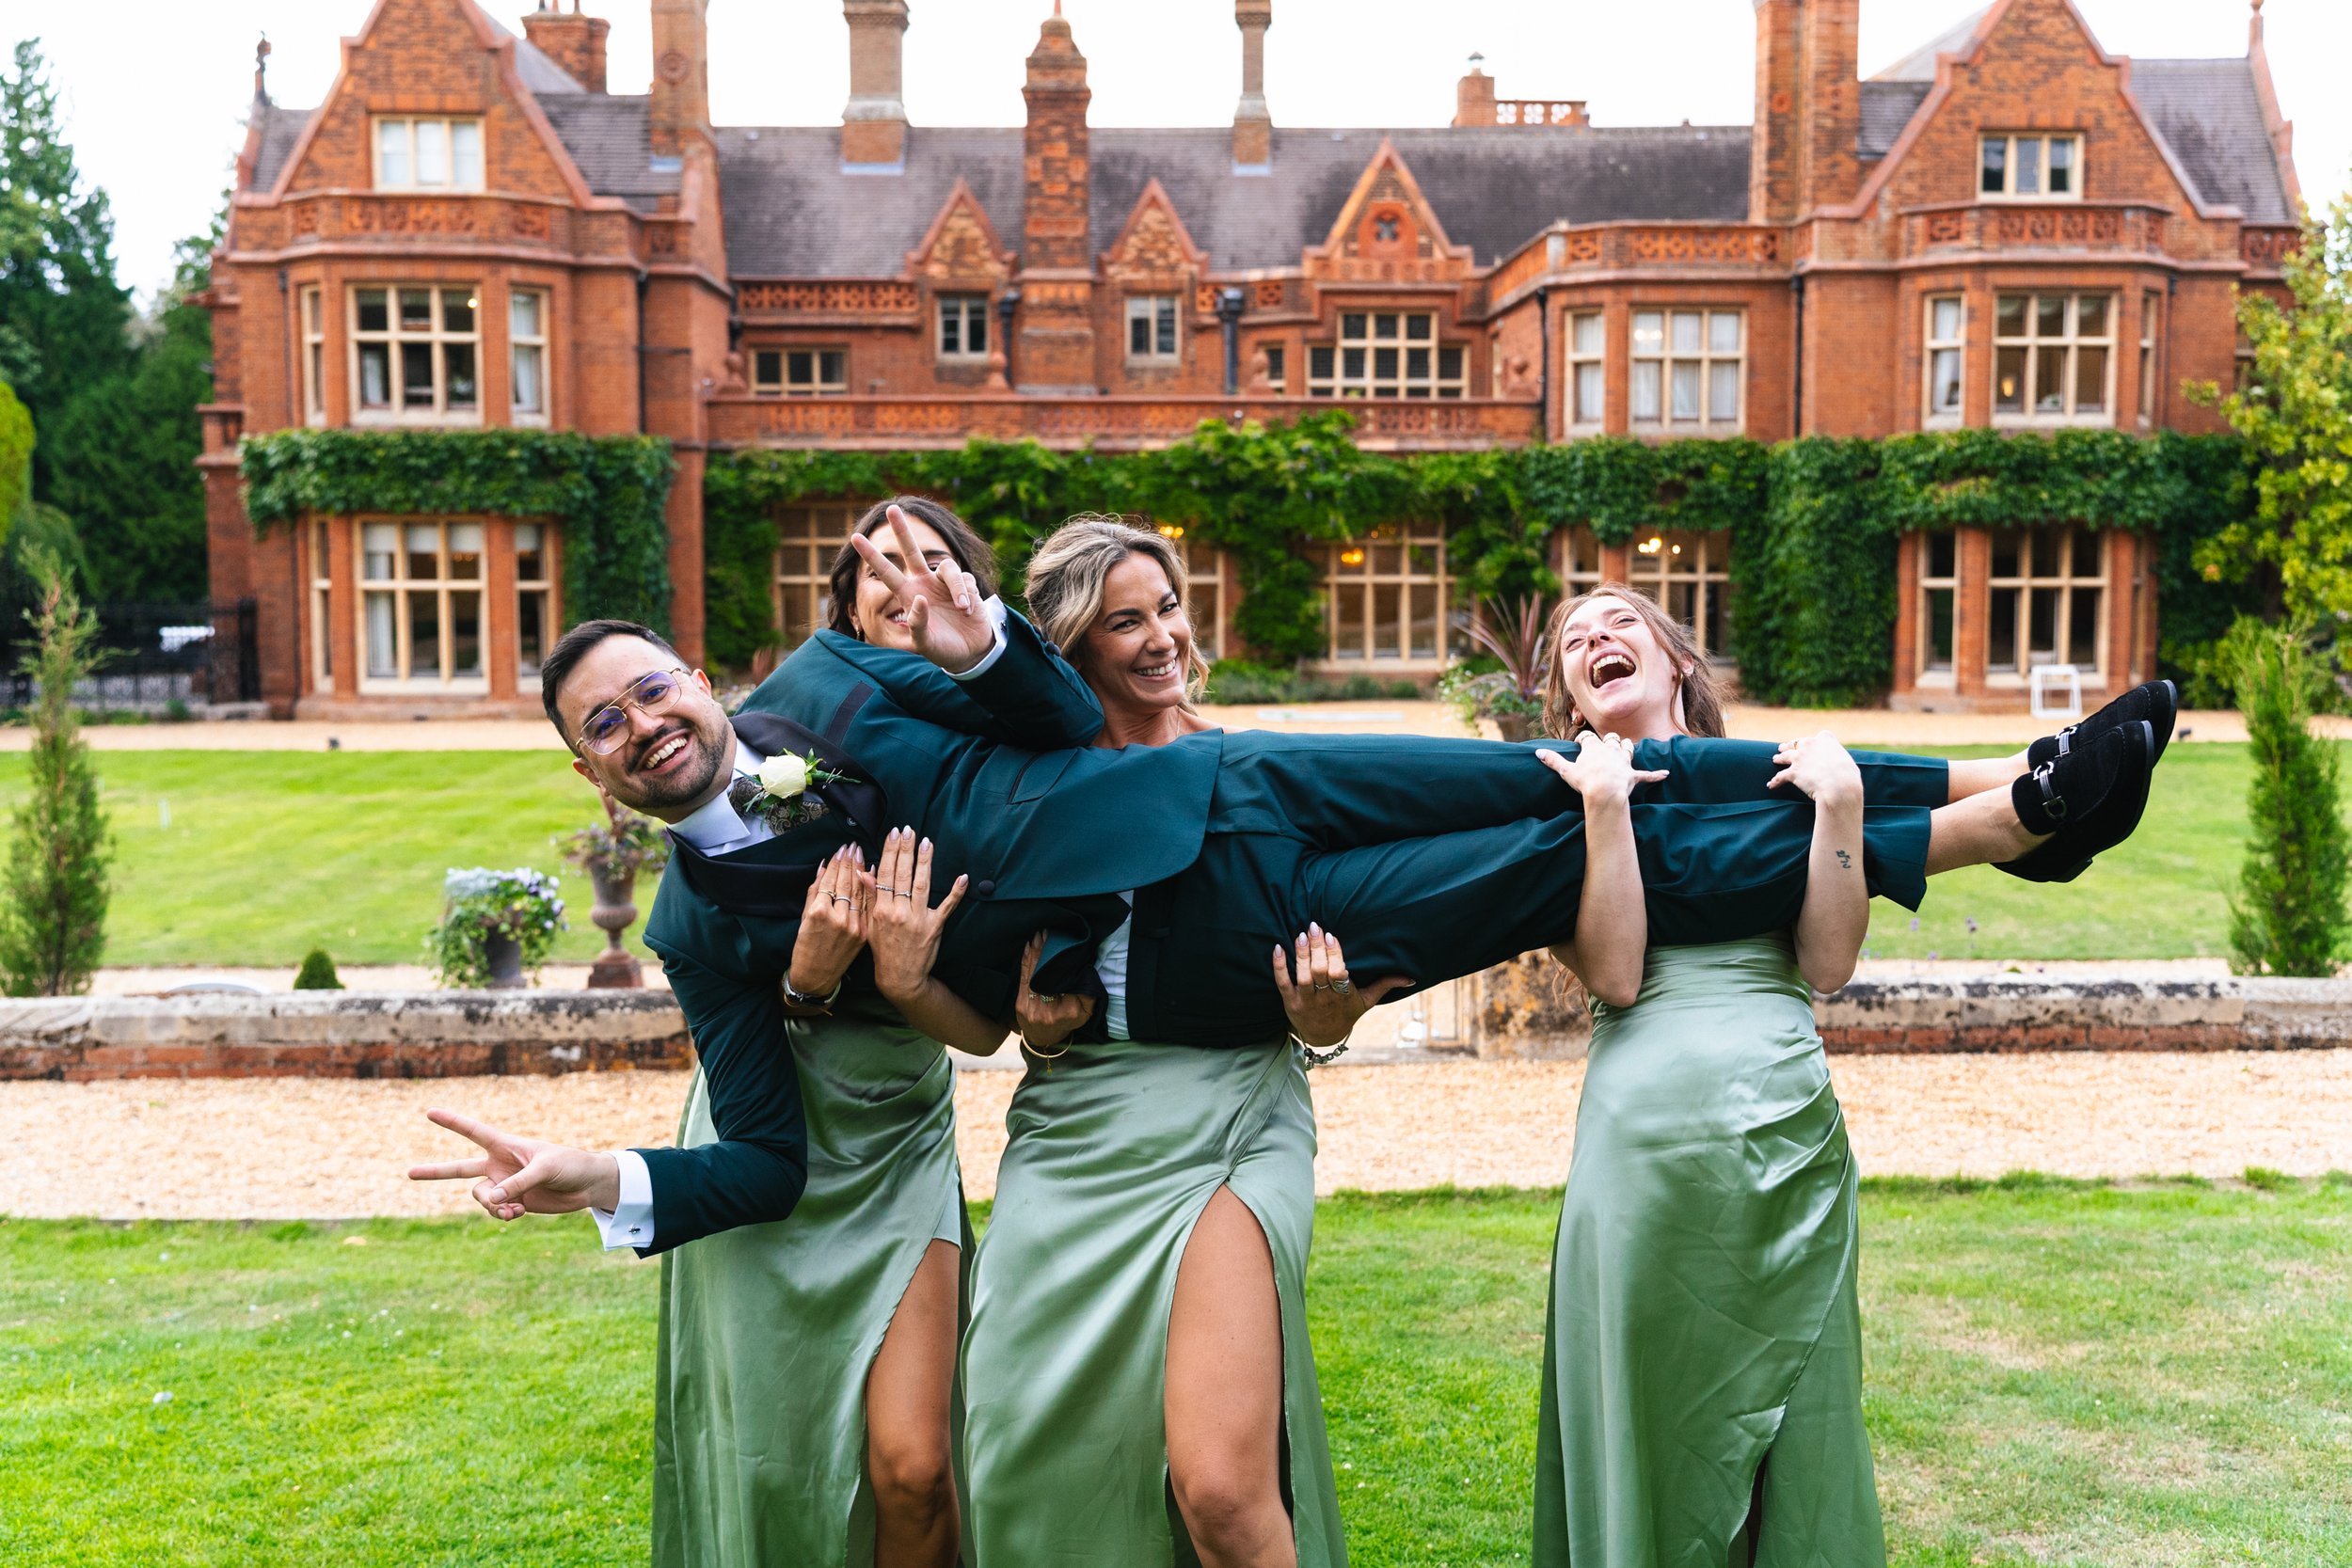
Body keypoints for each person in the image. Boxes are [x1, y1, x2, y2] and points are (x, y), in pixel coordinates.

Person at [409, 499, 1092, 1568]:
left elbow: (1051, 742)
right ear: (593, 776)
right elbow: (766, 1160)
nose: (639, 724)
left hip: (896, 1136)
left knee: (915, 1464)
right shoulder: (682, 922)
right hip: (773, 1126)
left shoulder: (833, 688)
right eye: (604, 725)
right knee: (782, 1460)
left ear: (698, 677)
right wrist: (592, 1171)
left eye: (649, 690)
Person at [1527, 583, 2169, 1567]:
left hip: (1782, 1129)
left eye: (1619, 621)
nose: (1593, 638)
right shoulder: (1552, 816)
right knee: (1657, 1419)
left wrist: (1840, 800)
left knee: (1798, 1429)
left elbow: (1826, 964)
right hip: (1641, 1156)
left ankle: (2038, 798)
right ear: (1570, 700)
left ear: (1678, 663)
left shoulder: (1773, 783)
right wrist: (1605, 809)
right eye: (1573, 639)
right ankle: (2032, 802)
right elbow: (1613, 973)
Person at [946, 517, 1416, 1567]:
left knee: (1219, 1487)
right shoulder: (1025, 786)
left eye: (1166, 606)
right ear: (1070, 649)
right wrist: (1039, 1032)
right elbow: (990, 995)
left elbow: (1332, 950)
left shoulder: (1247, 772)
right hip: (1072, 1130)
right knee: (1031, 1450)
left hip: (1234, 1122)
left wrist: (1324, 1027)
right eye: (1125, 619)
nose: (1161, 636)